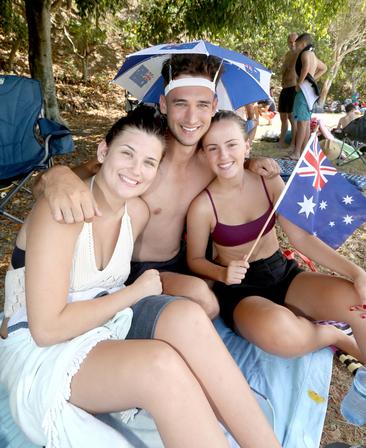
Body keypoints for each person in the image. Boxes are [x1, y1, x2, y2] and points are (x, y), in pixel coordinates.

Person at [0, 106, 304, 448]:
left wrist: (257, 159)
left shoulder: (137, 212)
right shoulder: (62, 211)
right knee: (161, 366)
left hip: (103, 325)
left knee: (188, 317)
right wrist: (55, 176)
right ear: (102, 152)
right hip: (45, 350)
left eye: (149, 161)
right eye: (126, 153)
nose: (135, 169)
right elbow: (46, 330)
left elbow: (226, 167)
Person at [35, 53, 280, 319]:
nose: (191, 117)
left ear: (214, 106)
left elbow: (231, 161)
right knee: (201, 296)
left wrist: (253, 162)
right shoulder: (144, 153)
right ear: (163, 104)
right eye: (181, 104)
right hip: (133, 267)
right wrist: (57, 175)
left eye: (201, 105)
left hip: (181, 261)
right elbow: (58, 182)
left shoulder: (209, 159)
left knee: (214, 294)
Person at [186, 110, 366, 362]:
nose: (223, 155)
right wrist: (222, 274)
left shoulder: (268, 181)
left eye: (231, 144)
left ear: (247, 145)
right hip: (241, 290)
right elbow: (194, 259)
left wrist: (357, 273)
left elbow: (301, 238)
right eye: (213, 148)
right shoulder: (202, 207)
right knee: (280, 331)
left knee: (359, 301)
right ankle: (332, 335)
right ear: (204, 154)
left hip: (282, 273)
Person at [290, 33, 327, 160]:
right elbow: (324, 68)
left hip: (304, 91)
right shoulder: (314, 56)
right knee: (305, 123)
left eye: (298, 44)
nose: (297, 47)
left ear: (304, 43)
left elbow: (305, 67)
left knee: (301, 123)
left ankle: (296, 153)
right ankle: (304, 151)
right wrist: (312, 79)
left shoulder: (305, 54)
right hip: (309, 91)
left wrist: (300, 83)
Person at [278, 33, 298, 147]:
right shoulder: (287, 54)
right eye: (290, 42)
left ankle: (293, 144)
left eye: (295, 41)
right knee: (283, 117)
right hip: (284, 88)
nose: (292, 44)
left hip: (293, 88)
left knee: (292, 117)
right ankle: (281, 141)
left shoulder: (300, 54)